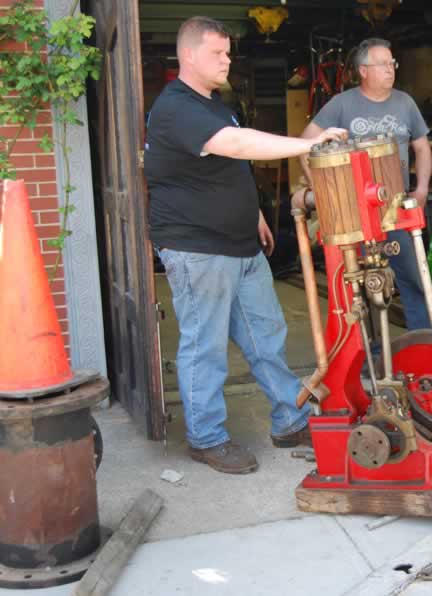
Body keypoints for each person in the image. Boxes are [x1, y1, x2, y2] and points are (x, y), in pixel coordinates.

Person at [144, 16, 347, 475]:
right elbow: (235, 145)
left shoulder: (217, 103)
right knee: (205, 346)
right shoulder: (177, 107)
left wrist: (253, 214)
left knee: (266, 335)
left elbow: (225, 166)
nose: (227, 60)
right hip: (199, 248)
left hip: (240, 243)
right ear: (189, 55)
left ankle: (289, 419)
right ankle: (207, 437)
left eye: (228, 52)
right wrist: (305, 145)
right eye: (218, 53)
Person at [301, 38, 432, 330]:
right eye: (383, 64)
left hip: (396, 210)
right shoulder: (341, 104)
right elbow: (305, 143)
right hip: (356, 214)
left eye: (392, 63)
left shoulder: (406, 103)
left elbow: (423, 148)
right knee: (359, 285)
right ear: (363, 70)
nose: (391, 69)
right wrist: (321, 193)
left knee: (416, 279)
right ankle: (369, 356)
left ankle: (426, 347)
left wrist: (423, 188)